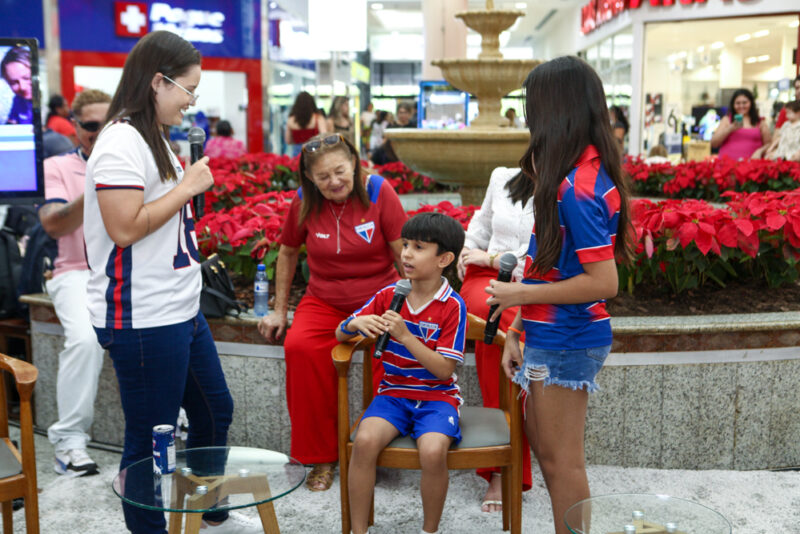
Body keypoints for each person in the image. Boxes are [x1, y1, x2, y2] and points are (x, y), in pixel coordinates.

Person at [83, 31, 258, 534]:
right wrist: (186, 188)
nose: (192, 102)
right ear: (158, 82)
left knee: (213, 409)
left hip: (180, 308)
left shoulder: (152, 134)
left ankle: (209, 509)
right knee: (150, 438)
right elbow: (124, 228)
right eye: (188, 89)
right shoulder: (120, 141)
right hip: (142, 316)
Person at [485, 56, 633, 534]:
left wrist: (516, 296)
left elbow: (603, 282)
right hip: (551, 335)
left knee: (561, 465)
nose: (528, 116)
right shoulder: (570, 175)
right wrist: (516, 329)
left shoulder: (578, 187)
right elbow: (550, 267)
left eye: (532, 105)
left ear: (554, 110)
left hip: (570, 340)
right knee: (549, 457)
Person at [257, 132, 407, 492]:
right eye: (323, 177)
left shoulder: (378, 191)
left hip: (379, 296)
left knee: (390, 353)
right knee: (301, 348)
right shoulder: (303, 201)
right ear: (309, 178)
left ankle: (376, 449)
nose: (335, 182)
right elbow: (288, 252)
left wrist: (418, 308)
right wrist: (280, 310)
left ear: (354, 163)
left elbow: (404, 254)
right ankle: (320, 457)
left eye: (340, 171)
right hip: (323, 299)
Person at [337, 212, 467, 534]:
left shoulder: (453, 306)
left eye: (419, 247)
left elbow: (443, 370)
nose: (406, 253)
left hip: (437, 398)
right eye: (405, 244)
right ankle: (357, 530)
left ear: (444, 259)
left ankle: (429, 530)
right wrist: (355, 324)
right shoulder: (389, 295)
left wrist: (406, 336)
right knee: (365, 442)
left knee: (433, 451)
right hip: (393, 394)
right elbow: (340, 332)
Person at [39, 89, 111, 478]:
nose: (98, 133)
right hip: (75, 272)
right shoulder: (57, 166)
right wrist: (96, 183)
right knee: (85, 340)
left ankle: (174, 422)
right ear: (76, 127)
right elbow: (53, 223)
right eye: (90, 126)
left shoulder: (132, 159)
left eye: (107, 124)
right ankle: (69, 444)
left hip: (127, 272)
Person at [457, 167, 534, 513]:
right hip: (486, 279)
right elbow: (481, 225)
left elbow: (541, 258)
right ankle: (505, 458)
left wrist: (488, 257)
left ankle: (503, 457)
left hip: (526, 281)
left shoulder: (564, 190)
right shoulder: (503, 176)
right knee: (493, 316)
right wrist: (467, 249)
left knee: (502, 327)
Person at [710, 88, 771, 160]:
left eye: (744, 103)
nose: (741, 106)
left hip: (752, 165)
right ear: (733, 104)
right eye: (738, 103)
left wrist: (760, 151)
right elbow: (714, 143)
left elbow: (769, 144)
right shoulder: (727, 120)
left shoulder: (760, 122)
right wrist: (730, 128)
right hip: (727, 166)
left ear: (751, 103)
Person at [285, 91, 327, 157]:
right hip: (314, 153)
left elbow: (288, 140)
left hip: (297, 154)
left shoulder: (291, 119)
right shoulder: (318, 118)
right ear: (312, 103)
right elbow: (324, 137)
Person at [1, 46, 33, 124]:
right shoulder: (18, 100)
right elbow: (11, 124)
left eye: (26, 78)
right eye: (13, 83)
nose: (22, 87)